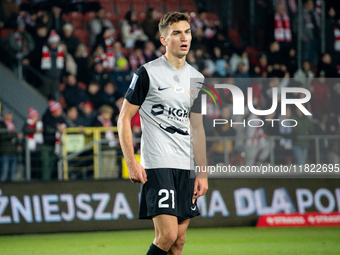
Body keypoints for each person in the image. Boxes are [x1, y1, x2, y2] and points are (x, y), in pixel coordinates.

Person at [117, 12, 208, 255]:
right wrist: (131, 162)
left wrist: (202, 172)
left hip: (185, 166)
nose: (183, 37)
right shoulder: (147, 73)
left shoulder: (197, 79)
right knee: (167, 235)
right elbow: (124, 118)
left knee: (178, 242)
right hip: (158, 163)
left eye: (187, 32)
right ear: (163, 40)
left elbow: (197, 128)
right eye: (176, 33)